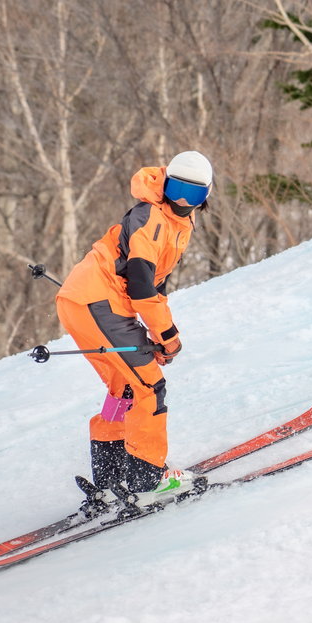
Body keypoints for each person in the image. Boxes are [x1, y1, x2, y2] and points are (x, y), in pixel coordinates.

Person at [56, 150, 213, 515]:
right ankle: (147, 481)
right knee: (149, 386)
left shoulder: (176, 222)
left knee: (126, 386)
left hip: (84, 302)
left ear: (206, 196)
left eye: (194, 196)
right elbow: (142, 286)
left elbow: (149, 286)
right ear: (164, 184)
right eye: (176, 190)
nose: (183, 202)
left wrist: (157, 336)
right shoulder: (151, 219)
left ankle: (112, 482)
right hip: (99, 303)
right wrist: (167, 334)